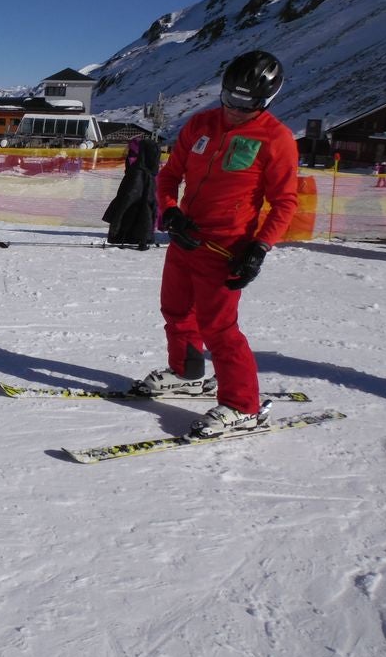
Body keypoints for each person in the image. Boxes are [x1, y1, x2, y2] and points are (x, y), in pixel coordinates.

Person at [136, 51, 298, 437]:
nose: (237, 110)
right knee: (175, 310)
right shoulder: (201, 124)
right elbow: (169, 175)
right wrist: (170, 213)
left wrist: (259, 249)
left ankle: (243, 406)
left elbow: (285, 202)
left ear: (268, 100)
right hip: (184, 238)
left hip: (226, 248)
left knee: (220, 328)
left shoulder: (276, 139)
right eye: (231, 98)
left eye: (249, 104)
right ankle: (186, 373)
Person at [102, 138, 159, 248]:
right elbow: (129, 196)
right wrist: (117, 219)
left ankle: (141, 238)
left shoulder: (147, 172)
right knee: (142, 212)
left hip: (141, 216)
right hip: (135, 216)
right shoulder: (139, 172)